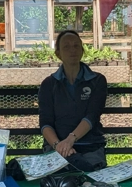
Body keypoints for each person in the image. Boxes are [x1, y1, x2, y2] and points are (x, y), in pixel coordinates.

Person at [38, 30, 108, 172]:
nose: (72, 50)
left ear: (82, 51)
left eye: (76, 46)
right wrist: (59, 146)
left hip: (90, 147)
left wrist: (70, 140)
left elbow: (92, 116)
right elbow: (45, 123)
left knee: (91, 179)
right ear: (58, 54)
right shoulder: (48, 84)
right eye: (66, 47)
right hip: (57, 148)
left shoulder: (97, 81)